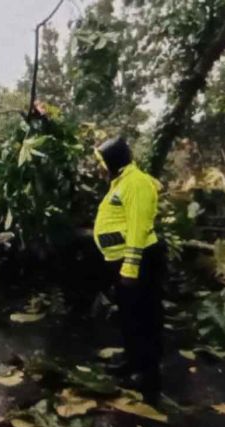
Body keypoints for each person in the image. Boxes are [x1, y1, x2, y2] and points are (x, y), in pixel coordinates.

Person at [92, 136, 165, 403]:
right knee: (129, 316)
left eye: (102, 163)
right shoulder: (121, 182)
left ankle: (149, 377)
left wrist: (130, 268)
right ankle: (133, 361)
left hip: (139, 260)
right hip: (122, 262)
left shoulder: (137, 183)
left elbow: (137, 227)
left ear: (113, 161)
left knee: (145, 318)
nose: (100, 168)